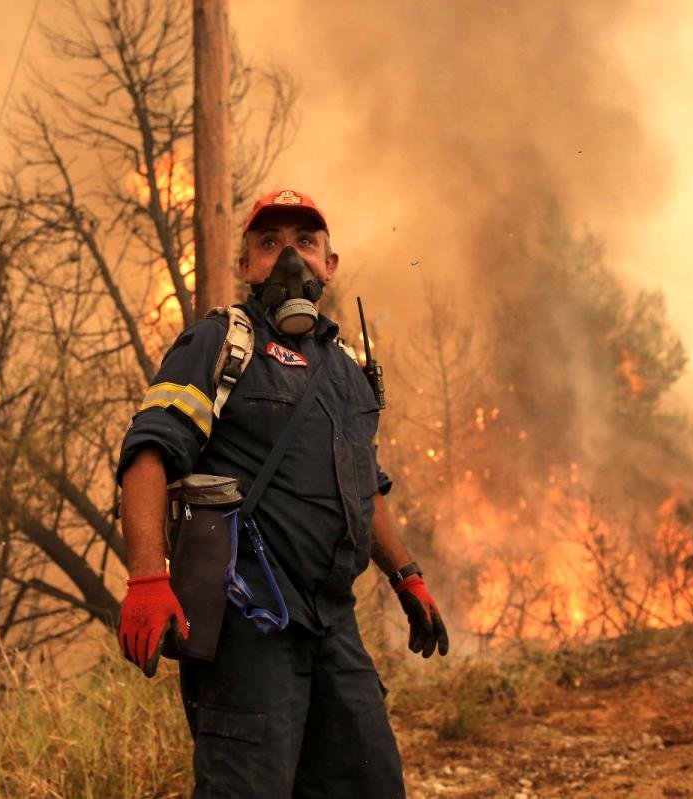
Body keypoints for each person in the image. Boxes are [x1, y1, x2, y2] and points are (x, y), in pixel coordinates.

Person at [115, 188, 449, 798]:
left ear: (330, 264)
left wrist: (407, 575)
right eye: (269, 244)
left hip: (332, 625)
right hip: (249, 628)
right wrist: (146, 577)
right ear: (246, 267)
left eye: (305, 243)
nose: (289, 258)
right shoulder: (219, 345)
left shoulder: (347, 369)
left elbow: (364, 486)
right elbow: (148, 454)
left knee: (372, 783)